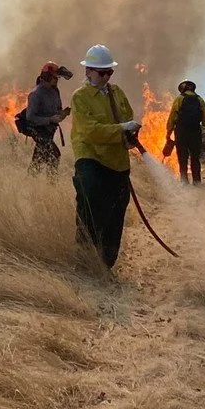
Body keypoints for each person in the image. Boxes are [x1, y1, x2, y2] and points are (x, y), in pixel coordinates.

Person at [70, 45, 141, 269]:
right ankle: (84, 259)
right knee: (90, 202)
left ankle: (106, 264)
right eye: (102, 72)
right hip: (91, 158)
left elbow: (127, 116)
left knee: (117, 210)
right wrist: (120, 129)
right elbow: (89, 131)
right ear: (88, 71)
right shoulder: (80, 98)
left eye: (109, 72)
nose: (106, 77)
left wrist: (129, 134)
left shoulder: (116, 92)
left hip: (117, 162)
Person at [163, 79, 205, 185]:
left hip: (181, 132)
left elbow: (172, 117)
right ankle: (196, 181)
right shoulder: (199, 99)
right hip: (195, 131)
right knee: (195, 157)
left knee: (182, 157)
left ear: (182, 89)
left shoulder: (179, 99)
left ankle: (184, 181)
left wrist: (168, 133)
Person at [24, 62, 72, 176]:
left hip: (49, 131)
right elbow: (30, 117)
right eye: (55, 77)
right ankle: (52, 183)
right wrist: (50, 120)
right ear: (47, 77)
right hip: (39, 131)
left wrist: (62, 114)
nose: (56, 80)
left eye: (57, 77)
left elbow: (58, 109)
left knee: (38, 160)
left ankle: (31, 181)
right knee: (55, 156)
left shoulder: (55, 91)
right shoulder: (35, 94)